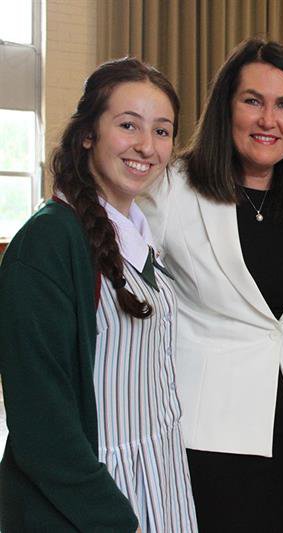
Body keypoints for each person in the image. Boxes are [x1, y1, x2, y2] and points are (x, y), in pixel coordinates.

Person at [138, 39, 283, 531]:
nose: (268, 119)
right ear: (226, 107)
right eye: (253, 101)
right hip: (206, 431)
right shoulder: (171, 187)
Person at [0, 58, 196, 531]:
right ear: (88, 133)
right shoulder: (48, 243)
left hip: (159, 479)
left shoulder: (140, 238)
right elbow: (39, 421)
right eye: (128, 125)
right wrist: (113, 518)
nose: (146, 147)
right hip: (96, 501)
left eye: (163, 131)